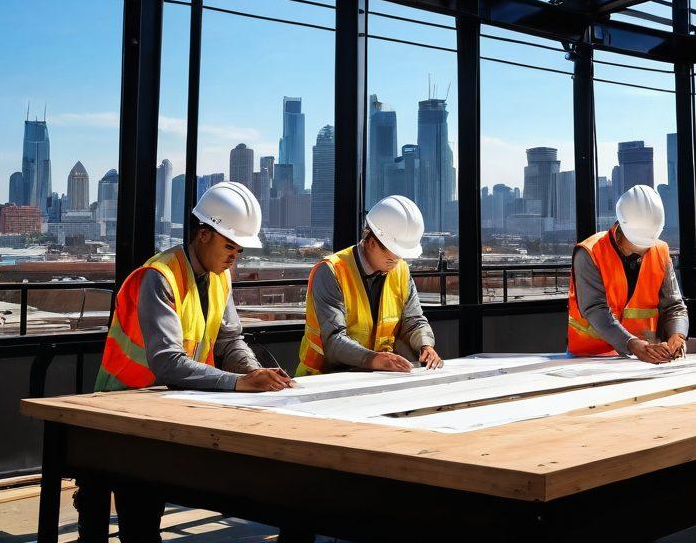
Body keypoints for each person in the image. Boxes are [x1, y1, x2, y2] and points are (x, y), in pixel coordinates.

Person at [89, 181, 294, 541]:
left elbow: (230, 339)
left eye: (240, 249)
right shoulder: (160, 277)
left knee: (156, 493)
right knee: (139, 515)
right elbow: (168, 361)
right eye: (229, 246)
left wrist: (253, 370)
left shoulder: (219, 279)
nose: (235, 256)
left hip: (172, 401)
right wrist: (239, 382)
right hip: (125, 404)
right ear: (203, 235)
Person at [296, 195, 442, 375]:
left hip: (373, 377)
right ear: (372, 243)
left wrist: (425, 345)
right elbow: (333, 340)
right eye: (391, 257)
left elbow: (413, 321)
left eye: (400, 257)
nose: (396, 263)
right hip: (321, 380)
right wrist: (373, 359)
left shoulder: (400, 271)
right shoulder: (331, 272)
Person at [567, 185, 688, 363]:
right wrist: (631, 343)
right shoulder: (590, 252)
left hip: (644, 358)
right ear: (622, 227)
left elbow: (673, 306)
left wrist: (678, 335)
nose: (646, 247)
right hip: (592, 357)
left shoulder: (660, 250)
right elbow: (594, 309)